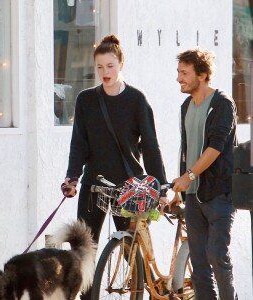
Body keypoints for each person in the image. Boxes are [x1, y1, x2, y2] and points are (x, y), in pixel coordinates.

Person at [62, 34, 168, 299]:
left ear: (121, 64)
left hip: (129, 187)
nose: (104, 72)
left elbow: (151, 147)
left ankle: (137, 292)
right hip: (94, 186)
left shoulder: (136, 100)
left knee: (130, 252)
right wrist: (72, 178)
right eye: (99, 67)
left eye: (110, 66)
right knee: (83, 253)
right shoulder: (86, 100)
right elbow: (79, 144)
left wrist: (162, 186)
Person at [171, 48, 238, 300]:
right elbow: (186, 149)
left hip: (219, 194)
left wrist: (188, 176)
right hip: (192, 198)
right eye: (178, 72)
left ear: (202, 74)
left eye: (185, 73)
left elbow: (216, 147)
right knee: (198, 266)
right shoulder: (186, 106)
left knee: (217, 256)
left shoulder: (222, 103)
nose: (179, 78)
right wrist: (180, 188)